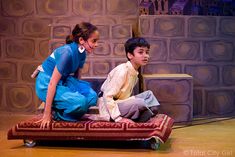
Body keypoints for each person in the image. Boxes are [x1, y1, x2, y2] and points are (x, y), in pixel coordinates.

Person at [34, 22, 100, 129]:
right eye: (94, 41)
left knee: (92, 97)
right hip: (47, 83)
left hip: (63, 80)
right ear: (81, 40)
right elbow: (52, 83)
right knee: (81, 103)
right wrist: (47, 114)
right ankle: (58, 114)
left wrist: (75, 91)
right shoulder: (66, 53)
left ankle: (69, 106)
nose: (97, 44)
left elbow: (77, 77)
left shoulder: (82, 52)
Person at [89, 37, 160, 123]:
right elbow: (107, 96)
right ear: (130, 55)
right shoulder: (122, 71)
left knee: (149, 95)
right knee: (139, 103)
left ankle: (146, 113)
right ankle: (142, 116)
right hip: (109, 106)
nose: (145, 56)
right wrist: (118, 118)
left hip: (121, 102)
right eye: (141, 52)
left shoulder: (134, 72)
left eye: (147, 52)